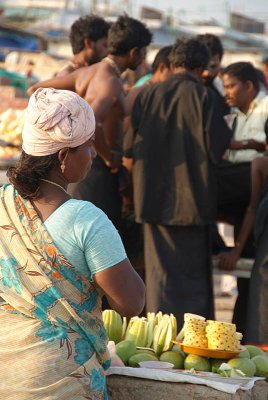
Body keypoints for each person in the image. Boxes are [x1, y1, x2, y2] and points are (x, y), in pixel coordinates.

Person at [0, 88, 145, 399]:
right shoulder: (85, 219)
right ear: (63, 156)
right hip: (59, 380)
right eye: (89, 147)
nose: (93, 155)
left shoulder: (2, 203)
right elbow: (131, 302)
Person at [126, 37, 232, 328]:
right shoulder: (206, 97)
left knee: (160, 279)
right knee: (195, 280)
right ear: (200, 68)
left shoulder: (147, 95)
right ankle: (194, 341)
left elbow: (129, 149)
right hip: (195, 203)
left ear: (172, 64)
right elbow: (218, 150)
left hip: (152, 202)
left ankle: (161, 340)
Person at [28, 15, 152, 232]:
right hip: (96, 169)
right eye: (143, 52)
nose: (143, 58)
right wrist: (109, 156)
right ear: (134, 52)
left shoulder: (87, 72)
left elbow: (35, 90)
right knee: (96, 237)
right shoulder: (111, 81)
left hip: (81, 163)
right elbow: (92, 120)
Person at [217, 62, 268, 336]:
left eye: (232, 86)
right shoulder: (235, 114)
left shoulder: (265, 108)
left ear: (249, 86)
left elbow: (258, 146)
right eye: (224, 86)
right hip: (246, 189)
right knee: (249, 266)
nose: (227, 92)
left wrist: (244, 145)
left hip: (249, 181)